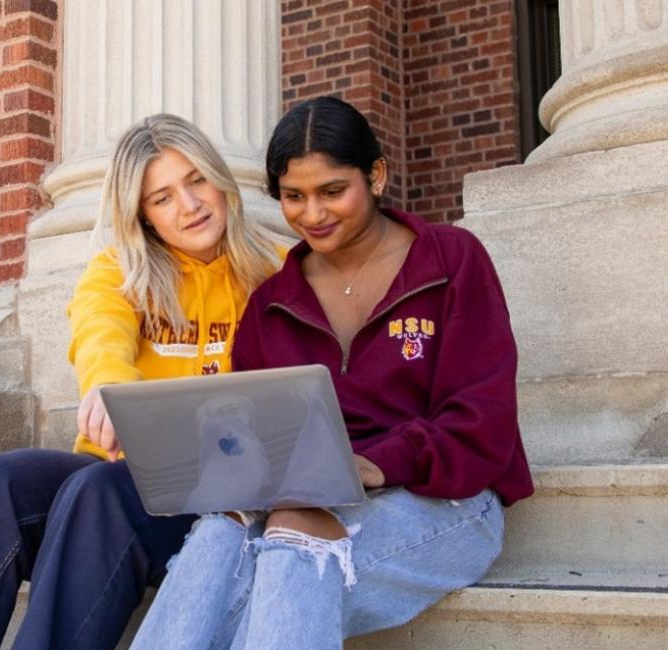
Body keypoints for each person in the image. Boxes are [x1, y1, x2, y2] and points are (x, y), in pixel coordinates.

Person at [130, 96, 534, 649]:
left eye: (332, 192)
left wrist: (373, 464)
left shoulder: (450, 262)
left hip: (446, 501)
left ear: (376, 175)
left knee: (294, 547)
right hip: (309, 500)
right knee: (217, 535)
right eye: (294, 197)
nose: (312, 215)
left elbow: (482, 424)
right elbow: (255, 436)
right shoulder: (272, 302)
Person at [0, 113, 281, 650]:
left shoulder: (279, 272)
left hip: (217, 495)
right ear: (144, 215)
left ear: (220, 179)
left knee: (98, 491)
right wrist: (108, 387)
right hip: (125, 479)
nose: (190, 205)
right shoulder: (121, 271)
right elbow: (100, 328)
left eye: (196, 180)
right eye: (163, 197)